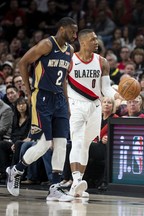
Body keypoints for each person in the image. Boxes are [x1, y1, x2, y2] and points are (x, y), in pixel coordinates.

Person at [6, 17, 78, 202]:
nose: (75, 35)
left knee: (61, 144)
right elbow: (23, 62)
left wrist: (67, 104)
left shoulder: (69, 50)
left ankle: (54, 187)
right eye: (72, 31)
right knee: (45, 144)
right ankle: (17, 170)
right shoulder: (47, 44)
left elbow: (64, 80)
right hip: (43, 97)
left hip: (60, 100)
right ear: (62, 29)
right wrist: (29, 92)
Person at [67, 29, 121, 198]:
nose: (96, 42)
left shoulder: (102, 61)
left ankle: (78, 185)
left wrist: (117, 95)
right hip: (75, 104)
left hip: (95, 106)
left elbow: (105, 88)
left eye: (96, 39)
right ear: (83, 42)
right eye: (93, 39)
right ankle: (75, 180)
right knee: (77, 141)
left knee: (86, 144)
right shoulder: (70, 60)